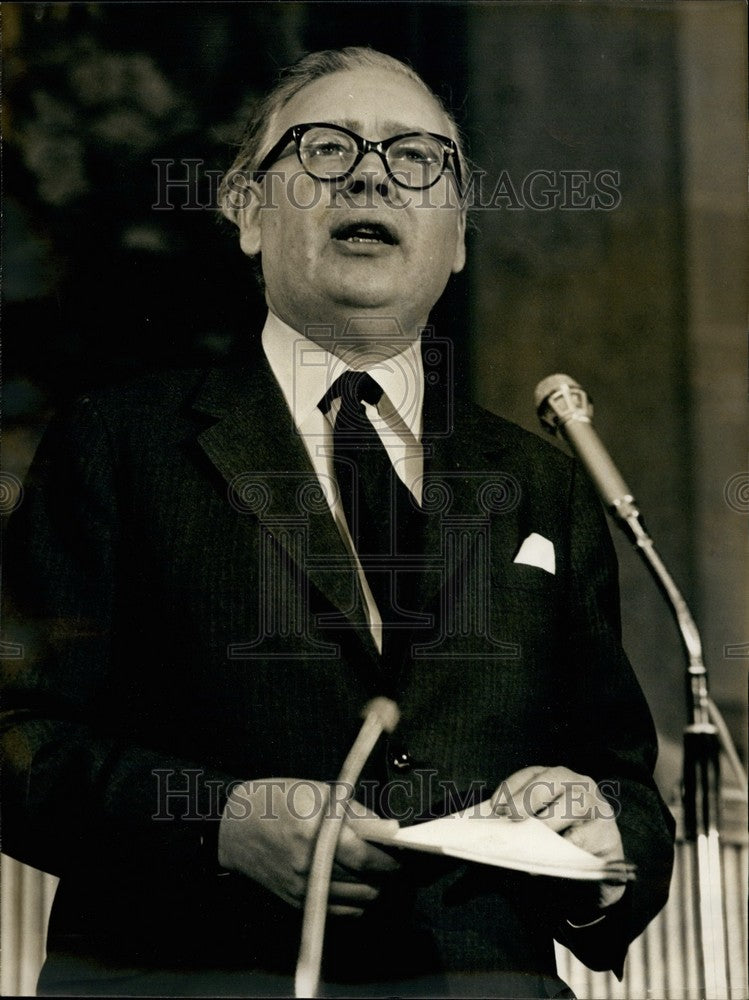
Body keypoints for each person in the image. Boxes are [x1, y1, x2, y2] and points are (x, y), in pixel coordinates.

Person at [1, 46, 674, 998]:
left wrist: (596, 833)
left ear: (459, 236)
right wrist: (218, 821)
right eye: (325, 149)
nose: (370, 176)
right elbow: (17, 739)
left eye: (415, 157)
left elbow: (625, 788)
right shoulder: (118, 444)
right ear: (247, 210)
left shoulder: (539, 484)